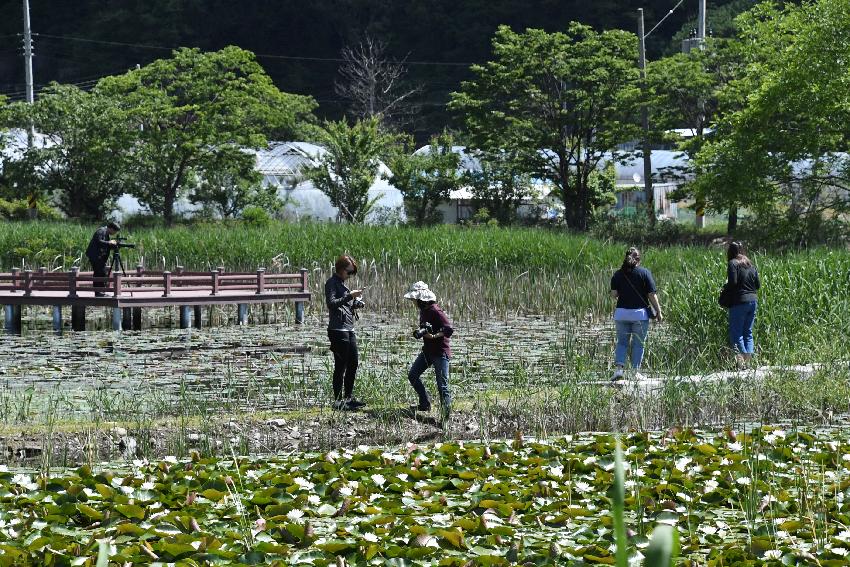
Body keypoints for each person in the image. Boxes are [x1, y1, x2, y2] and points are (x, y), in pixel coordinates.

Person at [403, 281, 454, 423]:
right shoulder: (423, 310)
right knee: (413, 375)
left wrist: (434, 336)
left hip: (440, 353)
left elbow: (448, 329)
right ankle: (425, 403)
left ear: (420, 299)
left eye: (414, 299)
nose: (413, 301)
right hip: (428, 351)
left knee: (442, 386)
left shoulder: (435, 310)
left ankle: (446, 418)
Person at [610, 247, 663, 381]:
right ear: (638, 259)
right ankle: (635, 372)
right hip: (639, 315)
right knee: (638, 344)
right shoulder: (645, 273)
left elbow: (614, 294)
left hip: (621, 314)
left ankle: (619, 371)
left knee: (622, 342)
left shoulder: (617, 274)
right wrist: (659, 311)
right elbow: (651, 294)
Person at [325, 255, 367, 411]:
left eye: (353, 273)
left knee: (353, 363)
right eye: (349, 272)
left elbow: (345, 303)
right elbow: (331, 304)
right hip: (337, 330)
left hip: (349, 329)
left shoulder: (342, 285)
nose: (350, 276)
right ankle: (337, 401)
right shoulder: (331, 283)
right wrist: (350, 296)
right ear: (341, 270)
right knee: (340, 366)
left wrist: (356, 303)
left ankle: (348, 399)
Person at [724, 241, 760, 368]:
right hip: (753, 301)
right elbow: (758, 285)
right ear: (743, 250)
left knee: (736, 333)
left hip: (739, 302)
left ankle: (741, 364)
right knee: (748, 332)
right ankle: (749, 363)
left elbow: (732, 283)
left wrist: (724, 288)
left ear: (730, 252)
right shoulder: (750, 264)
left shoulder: (733, 263)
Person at [85, 221, 120, 297]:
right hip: (95, 256)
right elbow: (99, 241)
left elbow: (105, 245)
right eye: (114, 231)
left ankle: (100, 291)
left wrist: (113, 245)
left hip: (99, 257)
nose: (114, 233)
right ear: (111, 228)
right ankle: (98, 292)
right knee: (99, 273)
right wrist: (109, 242)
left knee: (101, 273)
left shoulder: (106, 233)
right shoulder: (101, 231)